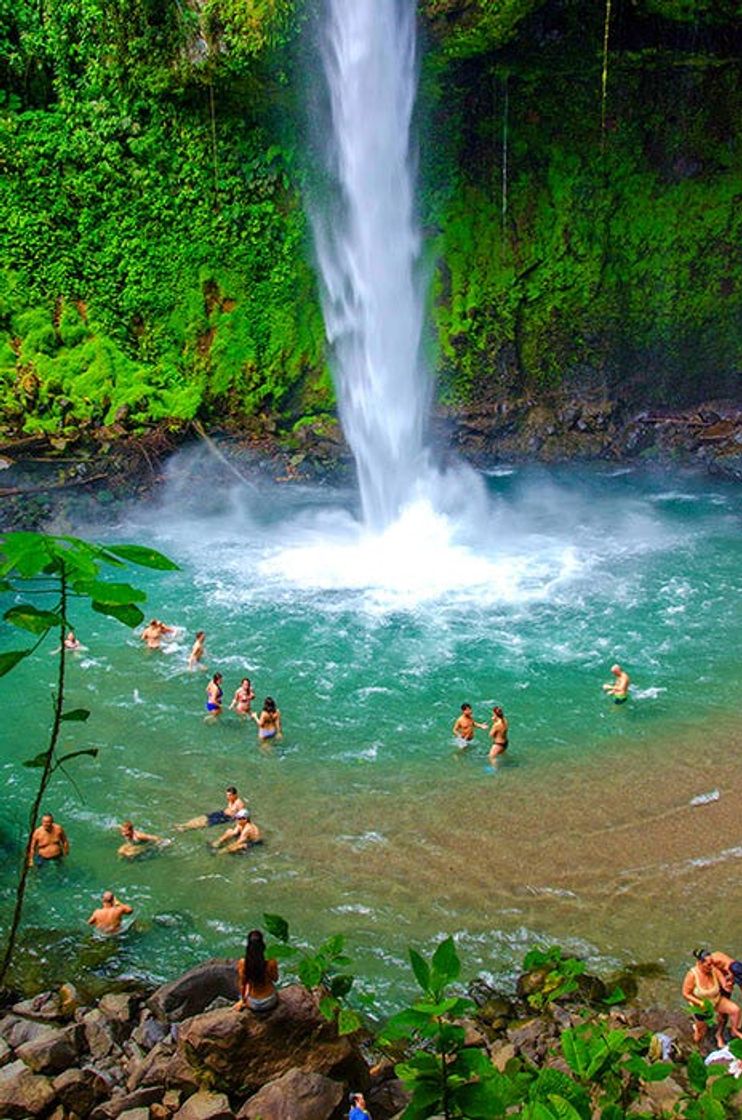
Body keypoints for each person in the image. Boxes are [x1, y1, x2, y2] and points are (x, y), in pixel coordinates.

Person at [682, 949, 742, 1047]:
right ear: (700, 963)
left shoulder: (714, 969)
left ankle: (734, 1030)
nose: (711, 967)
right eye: (708, 965)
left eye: (712, 964)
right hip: (701, 1005)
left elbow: (725, 987)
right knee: (701, 1033)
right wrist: (699, 1003)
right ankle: (696, 1045)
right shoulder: (692, 975)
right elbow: (686, 993)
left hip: (716, 1000)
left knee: (735, 1010)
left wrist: (729, 982)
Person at [236, 929, 278, 1012]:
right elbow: (275, 979)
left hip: (253, 1003)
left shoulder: (243, 963)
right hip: (270, 1000)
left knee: (248, 984)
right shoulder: (271, 962)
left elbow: (242, 984)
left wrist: (243, 1001)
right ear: (263, 945)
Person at [176, 786, 246, 831]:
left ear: (235, 794)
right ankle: (184, 824)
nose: (228, 797)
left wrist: (236, 825)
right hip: (221, 813)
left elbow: (242, 816)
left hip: (226, 818)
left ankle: (186, 829)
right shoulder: (231, 800)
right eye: (227, 795)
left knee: (206, 823)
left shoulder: (239, 803)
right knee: (204, 817)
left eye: (230, 795)